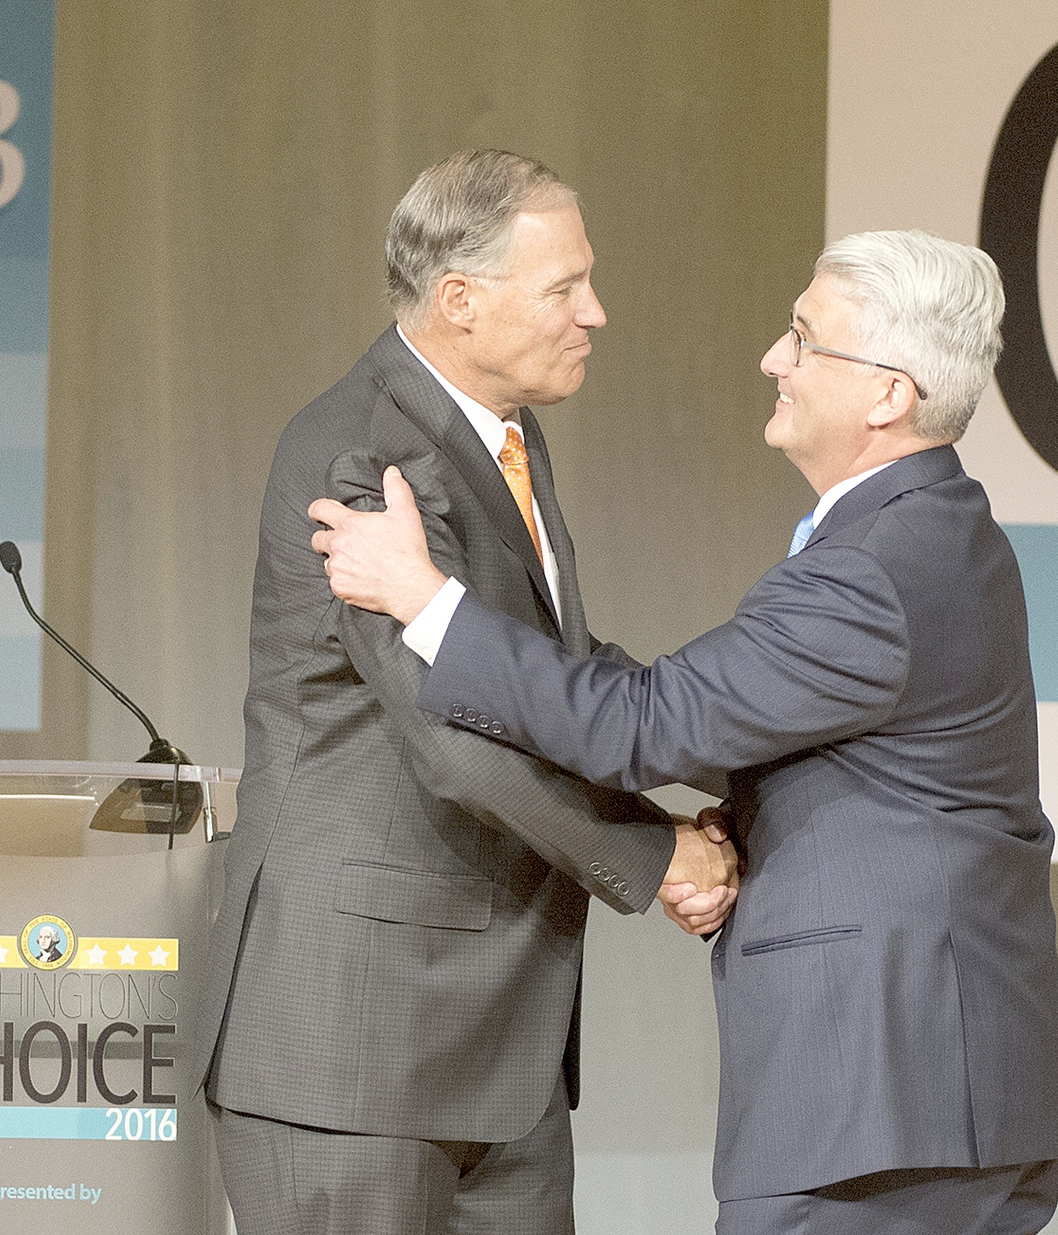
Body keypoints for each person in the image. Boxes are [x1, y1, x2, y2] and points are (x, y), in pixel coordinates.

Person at [311, 230, 1058, 1234]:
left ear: (887, 395)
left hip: (881, 1106)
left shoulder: (872, 569)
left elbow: (642, 725)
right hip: (937, 1098)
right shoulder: (934, 530)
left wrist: (426, 600)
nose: (774, 358)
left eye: (804, 340)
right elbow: (756, 724)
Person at [193, 149, 736, 1235]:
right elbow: (459, 737)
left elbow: (546, 669)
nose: (596, 311)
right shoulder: (367, 454)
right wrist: (653, 850)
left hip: (496, 1046)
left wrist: (758, 745)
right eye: (563, 288)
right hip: (351, 1044)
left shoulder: (503, 433)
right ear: (460, 302)